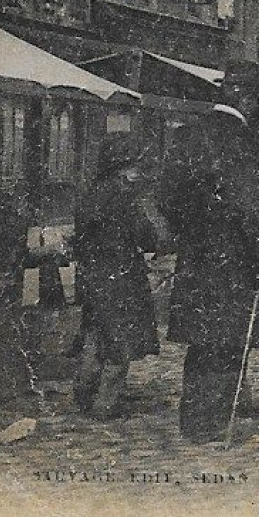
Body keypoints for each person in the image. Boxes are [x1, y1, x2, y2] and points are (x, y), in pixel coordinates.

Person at [162, 59, 259, 443]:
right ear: (245, 99)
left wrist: (192, 235)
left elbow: (168, 198)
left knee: (202, 343)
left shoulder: (190, 134)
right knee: (226, 344)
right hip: (235, 261)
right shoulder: (242, 142)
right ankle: (212, 423)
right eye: (257, 99)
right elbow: (251, 207)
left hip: (197, 260)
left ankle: (194, 422)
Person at [71, 134, 159, 419]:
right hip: (121, 275)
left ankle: (83, 391)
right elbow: (146, 236)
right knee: (121, 339)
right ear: (122, 167)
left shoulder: (91, 193)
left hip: (92, 275)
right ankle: (105, 404)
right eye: (134, 165)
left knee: (95, 334)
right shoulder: (126, 196)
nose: (138, 172)